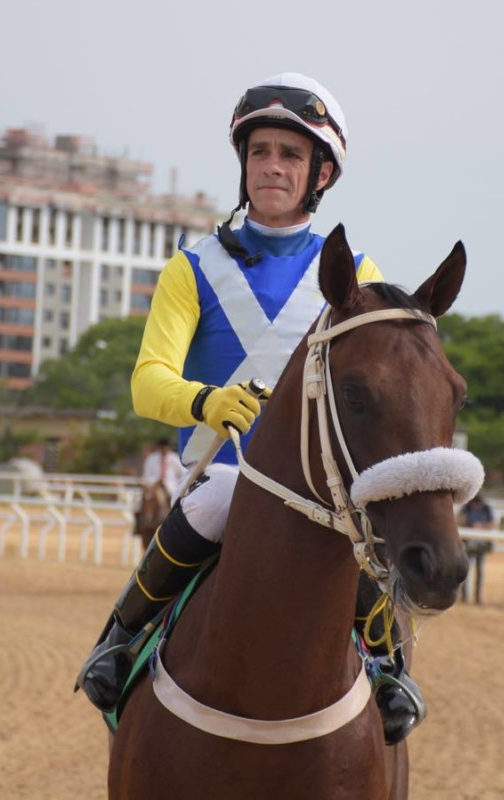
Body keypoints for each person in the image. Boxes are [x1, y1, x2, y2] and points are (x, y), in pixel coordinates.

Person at [76, 73, 427, 743]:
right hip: (222, 471)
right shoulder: (193, 267)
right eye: (260, 151)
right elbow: (147, 383)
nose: (272, 166)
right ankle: (118, 639)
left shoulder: (357, 271)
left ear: (319, 172)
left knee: (354, 534)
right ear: (244, 163)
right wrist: (206, 400)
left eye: (290, 155)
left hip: (319, 486)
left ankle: (388, 667)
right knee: (218, 499)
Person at [458, 494, 496, 604]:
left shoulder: (487, 509)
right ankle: (464, 596)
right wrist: (470, 525)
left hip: (481, 544)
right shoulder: (466, 508)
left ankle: (478, 597)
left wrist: (481, 526)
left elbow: (492, 524)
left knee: (480, 571)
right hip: (467, 543)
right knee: (465, 571)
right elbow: (459, 520)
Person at [140, 437, 185, 506]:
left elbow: (183, 473)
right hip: (154, 485)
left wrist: (176, 482)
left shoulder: (175, 459)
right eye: (162, 447)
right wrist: (155, 481)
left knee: (174, 501)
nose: (163, 449)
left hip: (170, 486)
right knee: (146, 498)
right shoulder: (152, 458)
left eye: (165, 447)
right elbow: (146, 475)